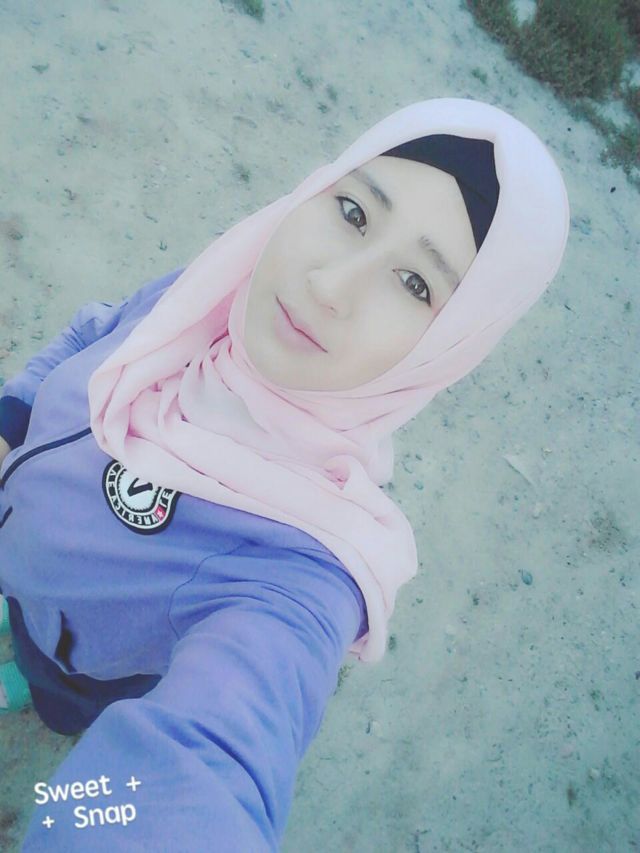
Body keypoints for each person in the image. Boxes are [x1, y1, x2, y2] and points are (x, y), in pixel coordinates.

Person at [0, 98, 569, 851]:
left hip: (84, 667)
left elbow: (203, 770)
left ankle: (37, 685)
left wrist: (95, 814)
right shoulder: (212, 298)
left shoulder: (303, 569)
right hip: (19, 562)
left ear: (451, 349)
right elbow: (98, 330)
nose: (331, 284)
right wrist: (13, 416)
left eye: (415, 284)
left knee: (56, 695)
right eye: (354, 212)